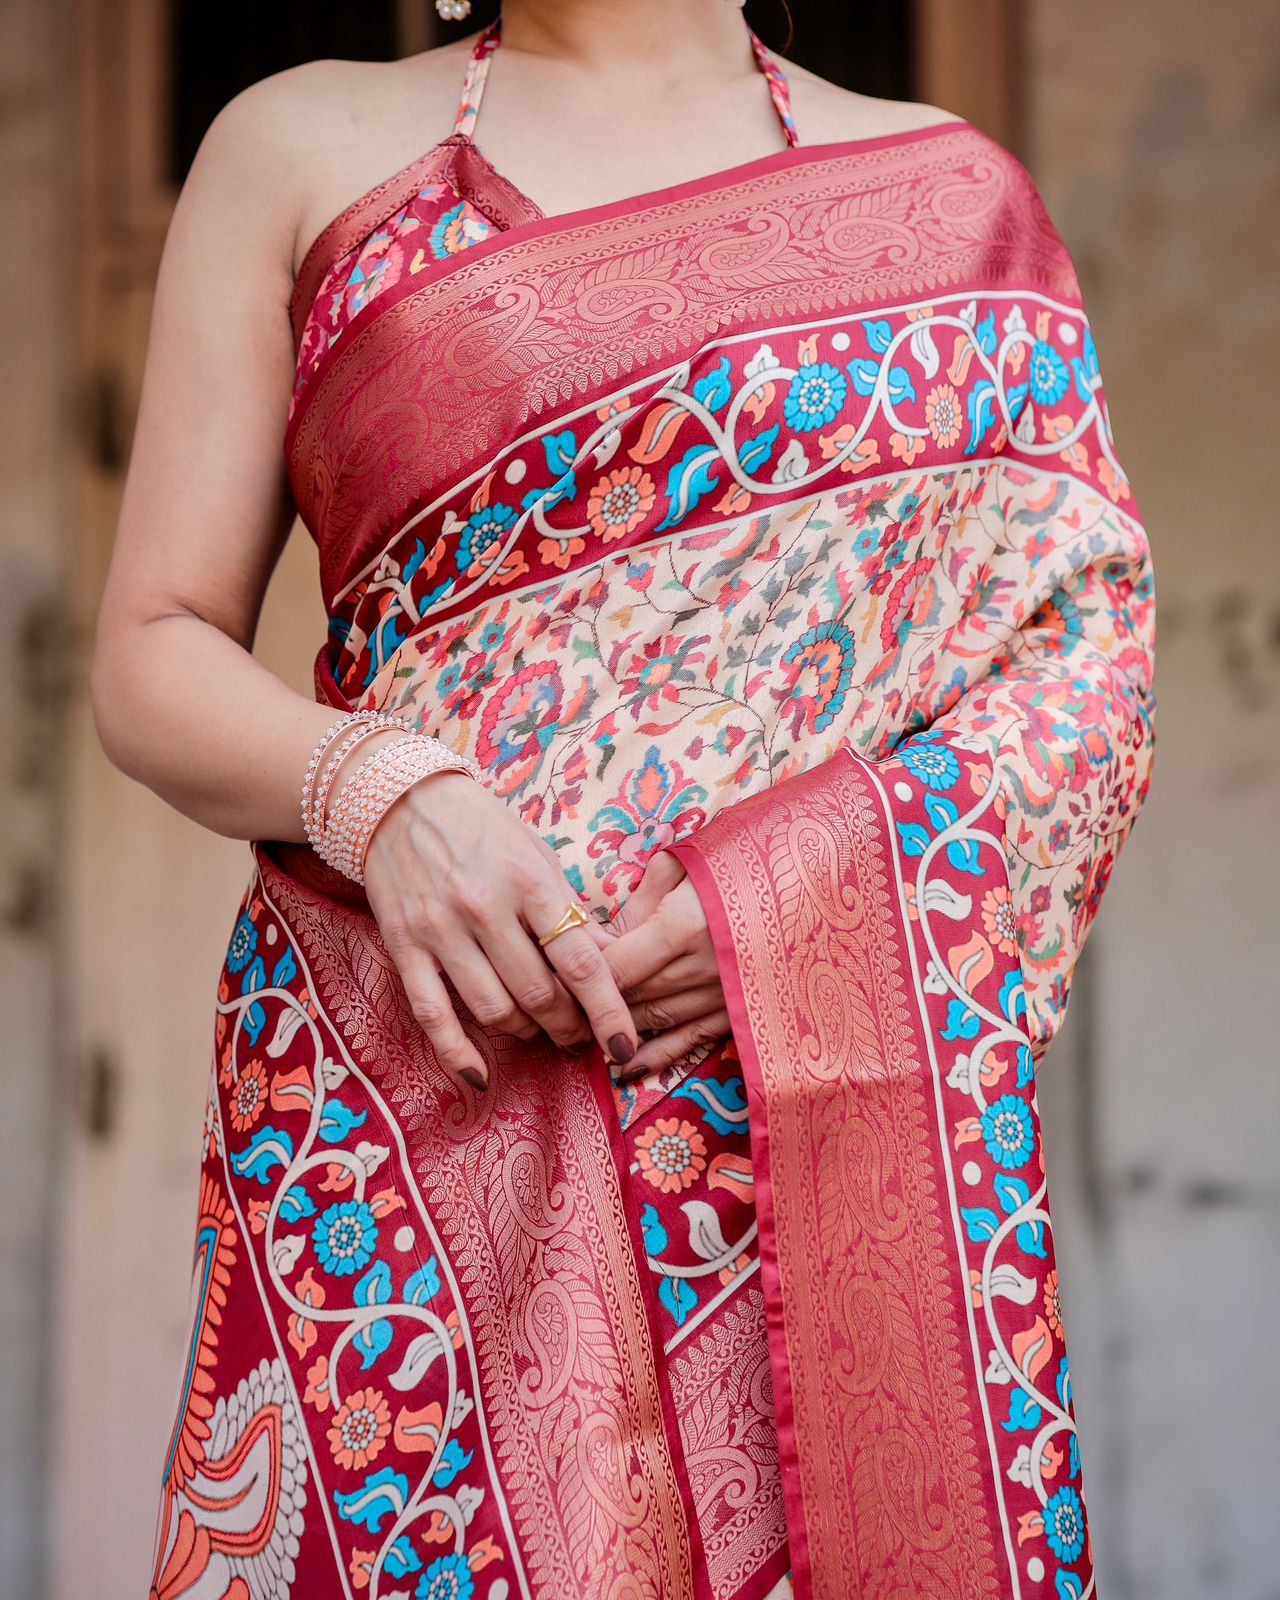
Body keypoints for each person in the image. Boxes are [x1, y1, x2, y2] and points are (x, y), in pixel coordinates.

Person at [93, 4, 1156, 1596]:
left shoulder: (948, 203)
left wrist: (787, 902)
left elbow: (1081, 674)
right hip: (418, 1136)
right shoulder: (305, 149)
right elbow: (151, 650)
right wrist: (384, 794)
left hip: (813, 1137)